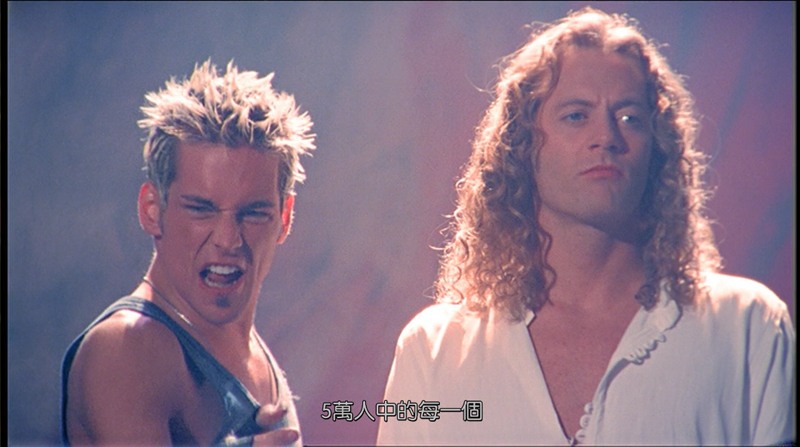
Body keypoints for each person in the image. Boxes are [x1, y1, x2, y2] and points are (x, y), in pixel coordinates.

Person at [377, 7, 794, 446]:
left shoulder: (746, 326)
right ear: (523, 145)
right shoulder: (435, 347)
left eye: (630, 118)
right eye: (576, 115)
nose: (607, 137)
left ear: (657, 148)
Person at [61, 60, 315, 446]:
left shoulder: (250, 350)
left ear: (284, 217)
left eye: (253, 213)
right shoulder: (126, 348)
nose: (228, 239)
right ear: (152, 209)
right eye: (201, 209)